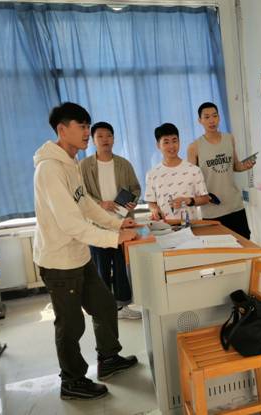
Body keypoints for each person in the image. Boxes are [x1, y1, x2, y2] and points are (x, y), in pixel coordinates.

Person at [33, 102, 139, 401]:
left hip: (79, 256)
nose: (86, 132)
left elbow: (87, 205)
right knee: (70, 325)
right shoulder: (50, 169)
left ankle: (109, 358)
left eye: (86, 126)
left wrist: (118, 223)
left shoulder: (71, 162)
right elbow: (70, 223)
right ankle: (72, 381)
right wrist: (115, 238)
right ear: (61, 129)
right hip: (59, 261)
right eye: (81, 126)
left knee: (104, 305)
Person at [80, 121, 142, 320]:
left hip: (122, 224)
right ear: (93, 140)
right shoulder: (84, 166)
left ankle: (124, 305)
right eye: (100, 136)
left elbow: (135, 188)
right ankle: (104, 308)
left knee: (122, 267)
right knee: (101, 269)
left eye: (108, 135)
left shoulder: (124, 164)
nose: (105, 140)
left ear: (114, 139)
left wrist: (132, 202)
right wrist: (100, 204)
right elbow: (81, 195)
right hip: (98, 226)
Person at [187, 102, 254, 238]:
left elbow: (235, 166)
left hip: (235, 205)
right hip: (212, 209)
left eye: (215, 116)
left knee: (244, 242)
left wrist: (245, 166)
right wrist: (202, 197)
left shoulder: (229, 138)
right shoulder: (194, 147)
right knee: (219, 247)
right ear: (200, 120)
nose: (211, 120)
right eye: (207, 117)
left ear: (219, 118)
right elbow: (191, 181)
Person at [145, 122, 210, 220]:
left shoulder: (194, 170)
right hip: (165, 226)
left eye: (174, 141)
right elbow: (151, 202)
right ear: (158, 145)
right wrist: (155, 210)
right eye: (166, 142)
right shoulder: (152, 174)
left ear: (179, 142)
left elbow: (205, 199)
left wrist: (188, 201)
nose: (171, 146)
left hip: (190, 225)